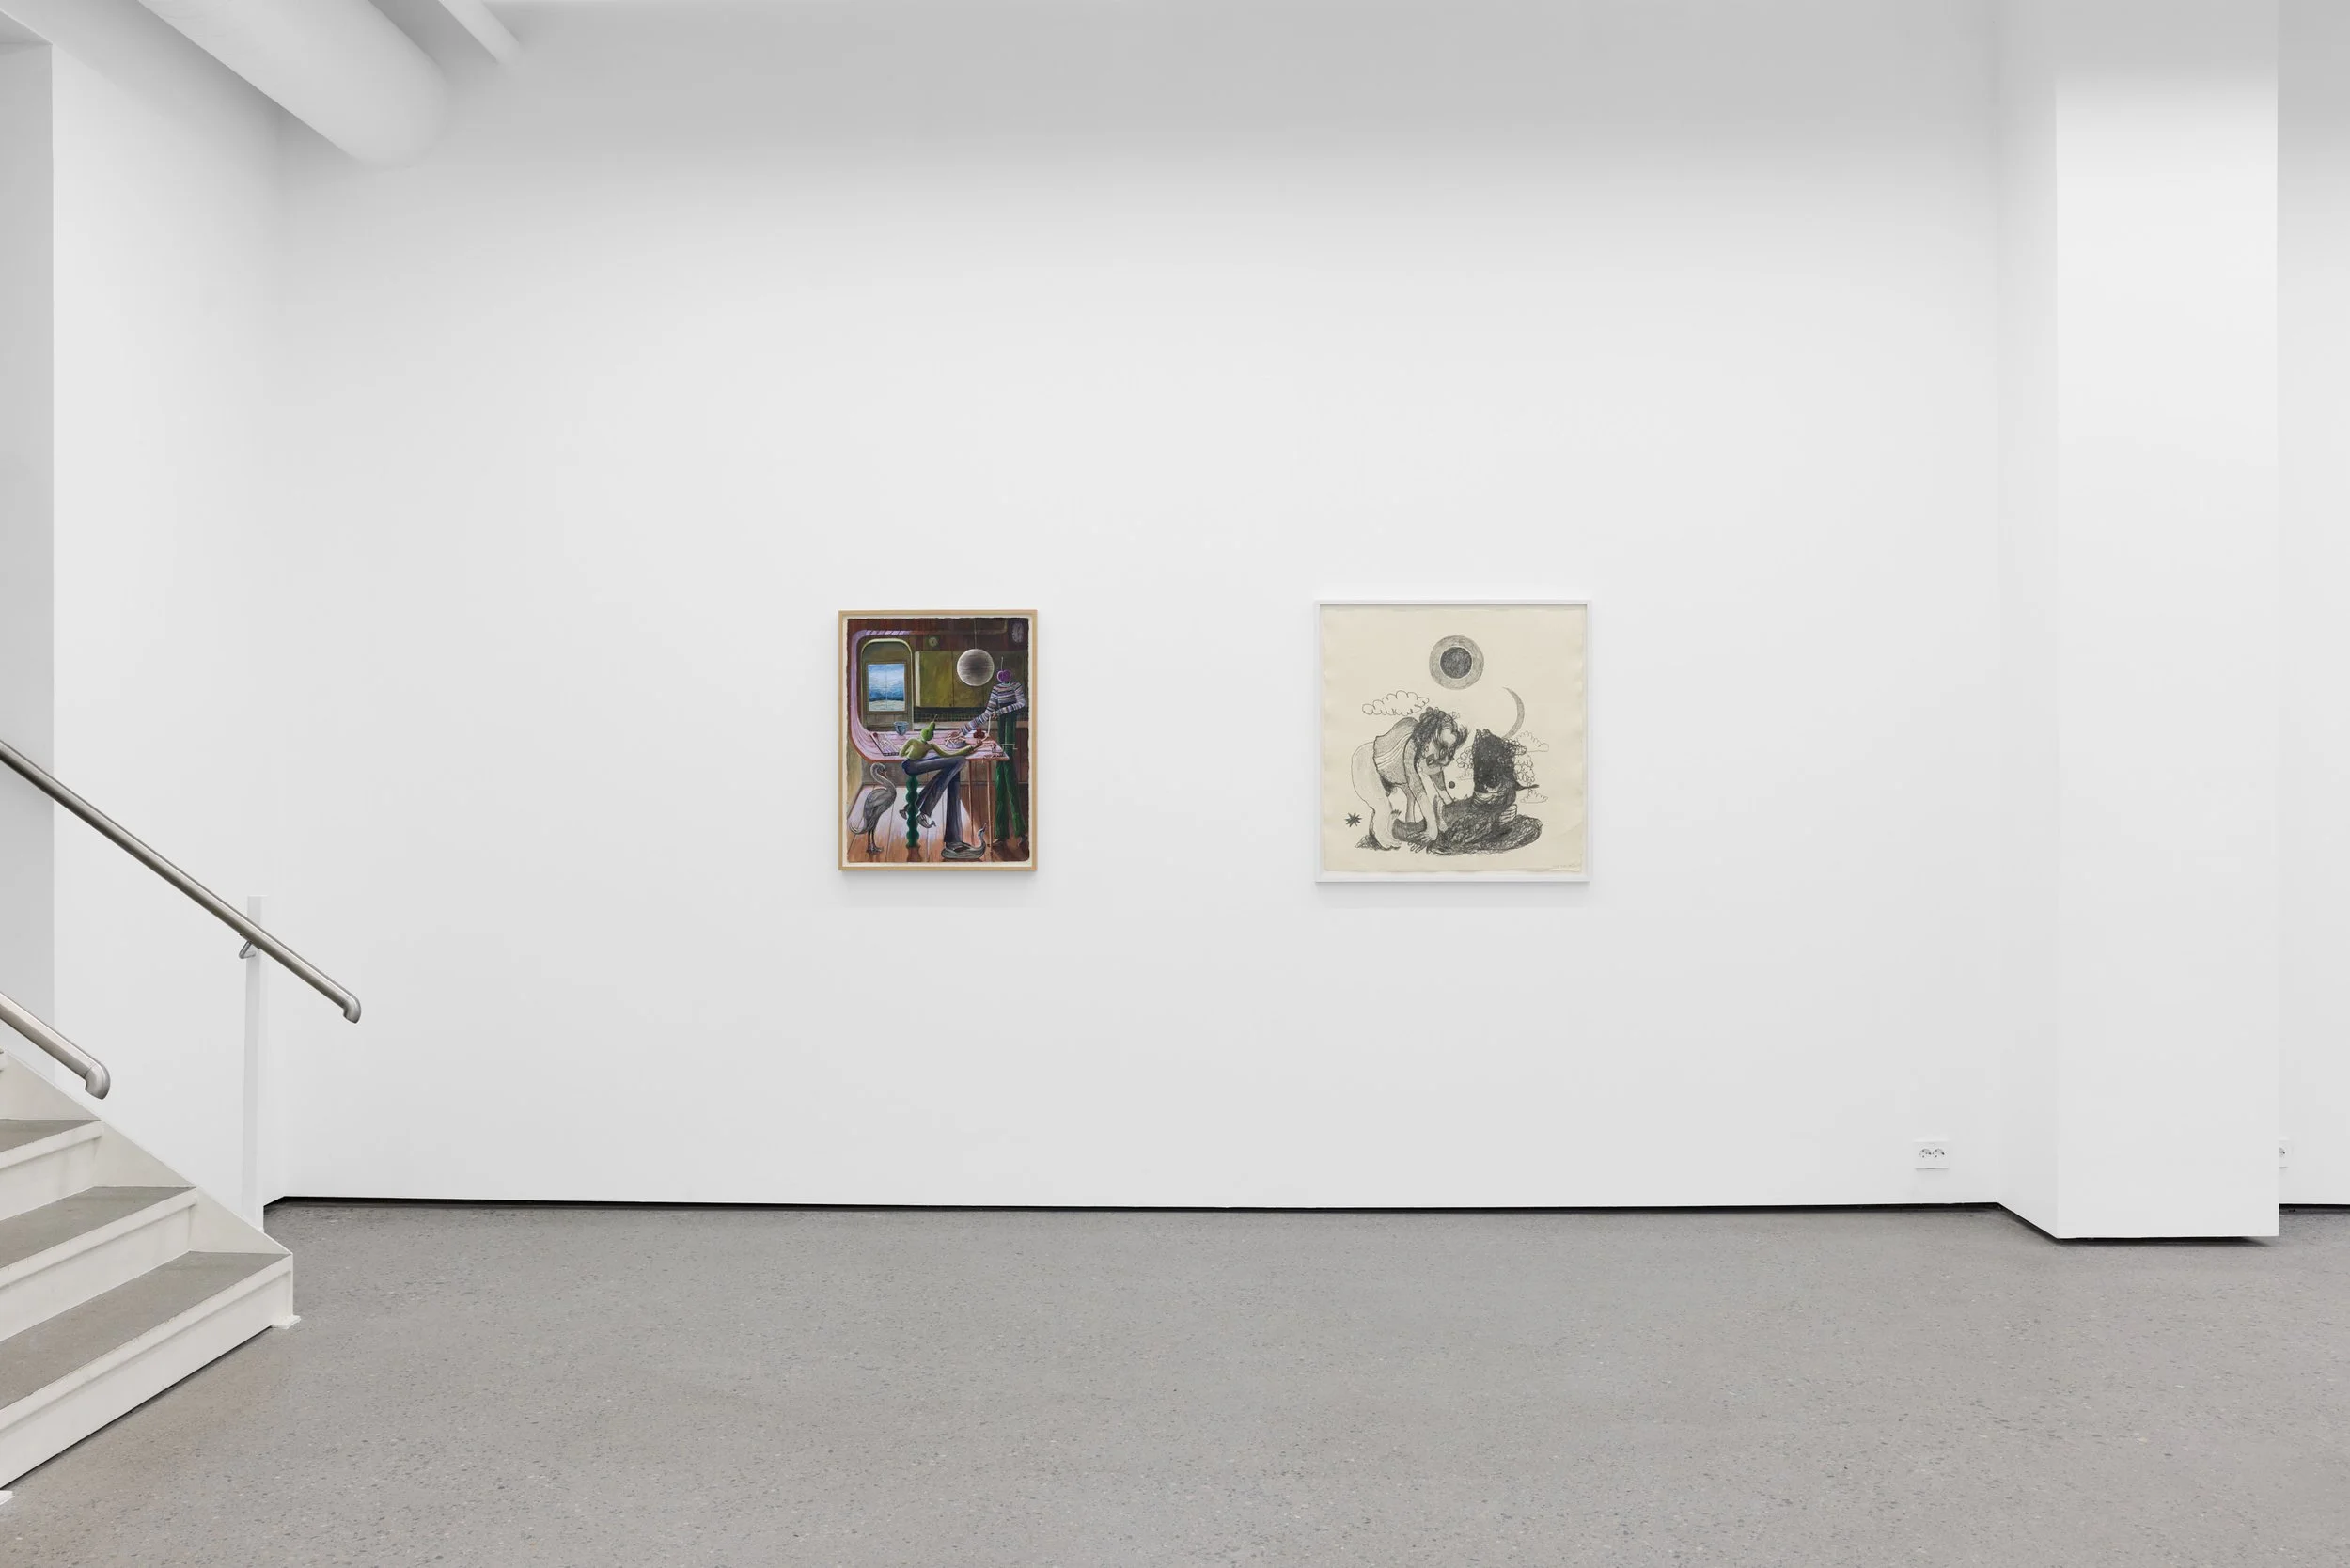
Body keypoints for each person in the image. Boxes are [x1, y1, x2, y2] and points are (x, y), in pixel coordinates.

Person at [898, 721, 985, 861]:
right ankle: (928, 813)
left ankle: (953, 839)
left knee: (955, 765)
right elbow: (902, 754)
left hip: (915, 762)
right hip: (912, 766)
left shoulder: (923, 743)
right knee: (959, 762)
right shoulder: (923, 743)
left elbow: (950, 755)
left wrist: (972, 747)